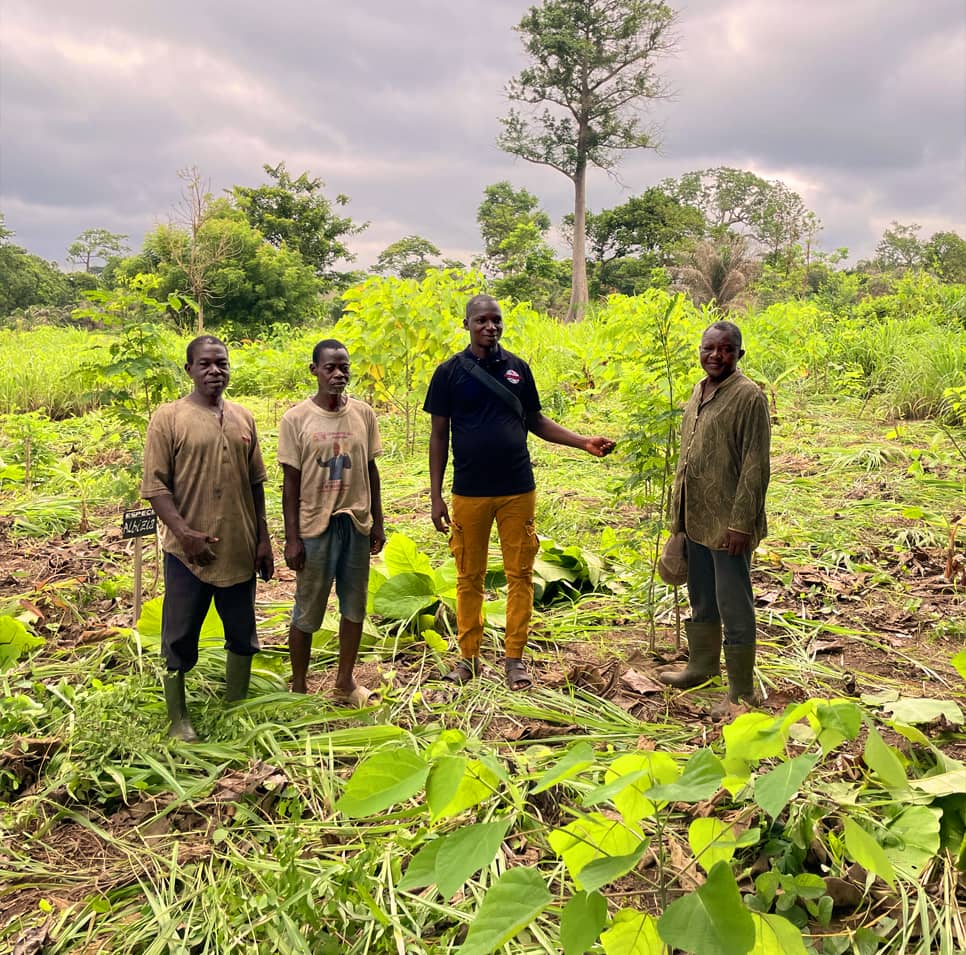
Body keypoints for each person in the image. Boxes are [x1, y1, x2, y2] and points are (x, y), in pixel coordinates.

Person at [424, 294, 615, 691]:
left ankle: (515, 659)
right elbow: (438, 435)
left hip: (517, 489)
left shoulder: (517, 369)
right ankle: (469, 658)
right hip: (469, 492)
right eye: (481, 321)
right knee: (468, 576)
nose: (490, 327)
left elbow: (535, 421)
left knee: (520, 575)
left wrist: (583, 442)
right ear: (467, 325)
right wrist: (436, 495)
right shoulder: (448, 374)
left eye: (496, 321)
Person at [142, 335, 274, 742]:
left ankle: (235, 705)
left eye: (222, 364)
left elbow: (255, 483)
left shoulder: (243, 417)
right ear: (189, 370)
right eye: (205, 364)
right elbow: (155, 487)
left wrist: (263, 539)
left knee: (241, 631)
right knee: (178, 635)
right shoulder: (169, 418)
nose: (215, 371)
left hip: (237, 547)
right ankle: (177, 720)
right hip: (188, 555)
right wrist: (183, 533)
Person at [659, 320, 771, 718]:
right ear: (700, 350)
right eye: (709, 348)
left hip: (728, 524)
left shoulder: (748, 397)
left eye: (725, 349)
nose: (716, 356)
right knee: (702, 596)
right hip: (696, 518)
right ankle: (702, 666)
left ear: (739, 354)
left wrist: (742, 523)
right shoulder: (700, 390)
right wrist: (678, 518)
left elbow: (756, 466)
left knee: (733, 603)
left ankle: (742, 691)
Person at [278, 339, 386, 704]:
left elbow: (371, 471)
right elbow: (290, 484)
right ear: (315, 371)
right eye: (330, 368)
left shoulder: (363, 414)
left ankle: (345, 682)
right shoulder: (297, 419)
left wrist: (378, 523)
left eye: (344, 367)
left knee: (354, 607)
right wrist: (292, 539)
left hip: (355, 523)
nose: (339, 374)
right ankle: (299, 685)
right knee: (307, 610)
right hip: (315, 527)